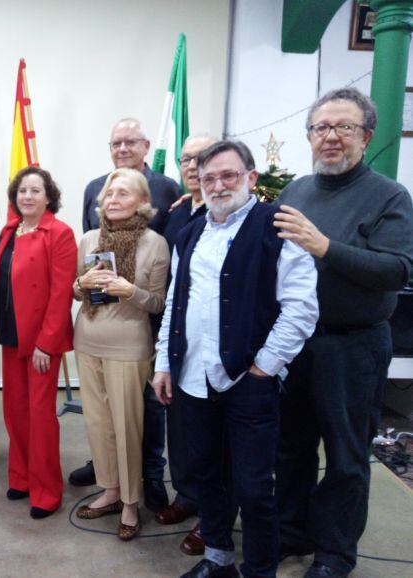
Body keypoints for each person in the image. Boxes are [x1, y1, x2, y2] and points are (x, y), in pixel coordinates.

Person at [152, 140, 318, 578]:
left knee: (254, 487)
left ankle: (259, 571)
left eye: (229, 175)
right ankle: (219, 559)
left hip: (250, 381)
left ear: (251, 178)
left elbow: (301, 307)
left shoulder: (277, 226)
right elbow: (175, 303)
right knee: (206, 474)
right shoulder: (188, 233)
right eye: (209, 178)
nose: (219, 185)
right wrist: (164, 363)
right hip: (192, 379)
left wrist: (266, 366)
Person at [273, 87, 413, 578]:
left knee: (346, 457)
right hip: (296, 344)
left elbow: (398, 270)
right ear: (310, 137)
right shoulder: (296, 191)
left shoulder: (389, 195)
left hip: (352, 346)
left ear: (366, 136)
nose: (330, 137)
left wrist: (325, 246)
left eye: (344, 128)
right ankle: (291, 533)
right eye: (320, 128)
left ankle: (334, 553)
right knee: (289, 449)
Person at [72, 118, 182, 516]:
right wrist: (82, 284)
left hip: (129, 345)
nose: (112, 199)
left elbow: (157, 303)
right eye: (108, 193)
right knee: (98, 425)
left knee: (128, 426)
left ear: (142, 201)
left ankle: (133, 502)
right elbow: (75, 289)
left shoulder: (156, 244)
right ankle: (110, 488)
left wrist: (129, 290)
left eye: (123, 193)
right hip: (86, 340)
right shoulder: (88, 239)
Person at [0, 166, 76, 519]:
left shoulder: (59, 233)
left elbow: (60, 295)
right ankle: (22, 477)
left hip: (41, 341)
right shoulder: (10, 229)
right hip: (11, 333)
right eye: (22, 190)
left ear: (49, 196)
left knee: (41, 416)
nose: (27, 196)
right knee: (14, 410)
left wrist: (47, 342)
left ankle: (46, 491)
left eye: (35, 191)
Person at [157, 134, 217, 557]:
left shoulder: (230, 210)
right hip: (176, 333)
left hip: (217, 341)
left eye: (202, 158)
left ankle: (212, 517)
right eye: (186, 159)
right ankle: (187, 494)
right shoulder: (178, 212)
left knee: (213, 434)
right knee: (179, 424)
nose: (192, 165)